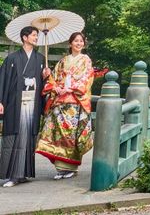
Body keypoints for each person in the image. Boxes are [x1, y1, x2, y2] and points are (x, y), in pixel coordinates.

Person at [35, 32, 94, 179]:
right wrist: (53, 84)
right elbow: (54, 79)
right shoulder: (63, 61)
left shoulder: (86, 60)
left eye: (81, 41)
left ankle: (71, 167)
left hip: (75, 102)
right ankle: (61, 168)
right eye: (76, 41)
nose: (79, 43)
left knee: (71, 135)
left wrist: (71, 88)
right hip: (60, 101)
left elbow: (87, 78)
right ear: (70, 43)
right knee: (58, 133)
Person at [0, 26, 51, 187]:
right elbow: (3, 80)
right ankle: (13, 175)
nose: (36, 38)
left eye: (37, 35)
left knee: (28, 136)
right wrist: (0, 101)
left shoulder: (41, 59)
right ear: (24, 37)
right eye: (34, 35)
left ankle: (22, 174)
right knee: (14, 135)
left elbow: (45, 85)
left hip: (33, 103)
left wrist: (46, 76)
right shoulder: (12, 58)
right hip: (15, 103)